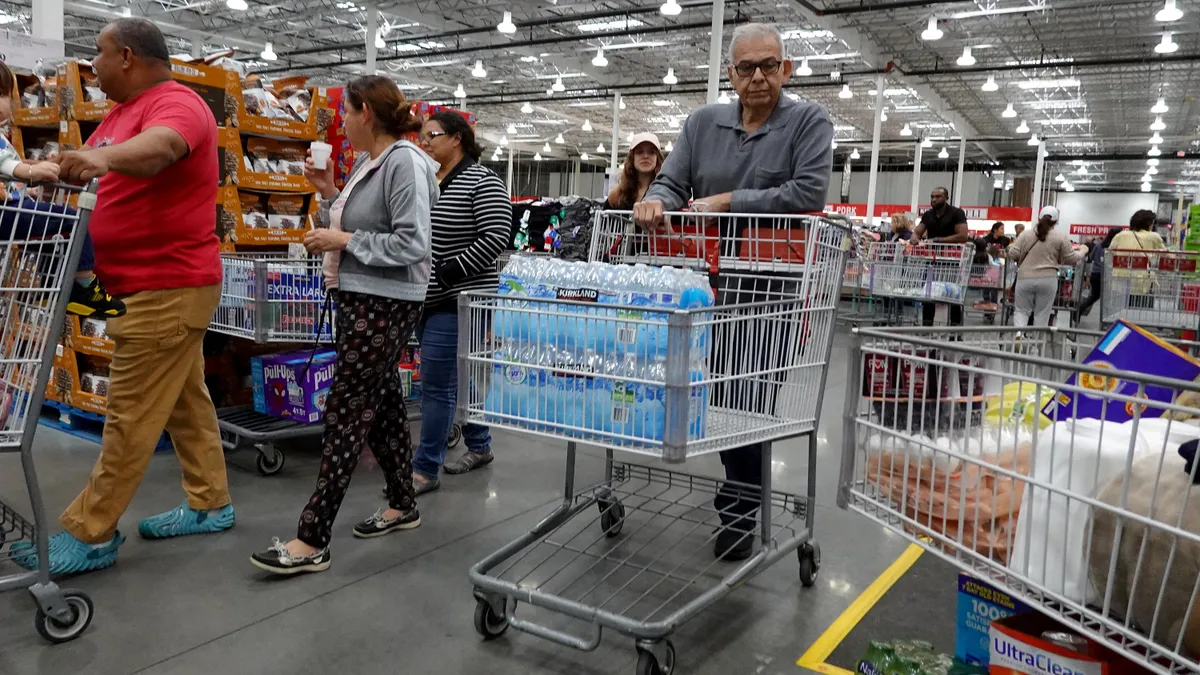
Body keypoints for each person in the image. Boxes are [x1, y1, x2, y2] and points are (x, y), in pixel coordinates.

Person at [12, 18, 233, 575]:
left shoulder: (176, 103)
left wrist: (103, 160)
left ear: (128, 56)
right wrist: (52, 172)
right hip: (148, 284)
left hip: (169, 285)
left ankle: (91, 533)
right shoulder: (117, 115)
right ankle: (211, 503)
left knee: (129, 416)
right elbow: (95, 171)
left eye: (99, 54)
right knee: (185, 401)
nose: (94, 65)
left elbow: (161, 150)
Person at [633, 23, 833, 561]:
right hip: (702, 287)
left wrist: (725, 200)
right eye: (747, 68)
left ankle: (741, 510)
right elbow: (675, 182)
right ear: (731, 75)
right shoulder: (701, 123)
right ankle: (740, 492)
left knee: (749, 402)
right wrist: (658, 200)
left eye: (769, 65)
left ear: (786, 69)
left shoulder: (809, 122)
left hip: (771, 290)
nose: (758, 78)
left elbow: (808, 191)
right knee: (712, 394)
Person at [251, 75, 438, 575]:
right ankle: (403, 503)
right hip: (360, 297)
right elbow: (365, 224)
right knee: (382, 407)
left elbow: (412, 244)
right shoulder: (369, 163)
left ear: (367, 114)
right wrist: (330, 191)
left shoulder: (405, 163)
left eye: (347, 112)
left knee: (346, 408)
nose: (342, 121)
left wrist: (342, 240)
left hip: (386, 302)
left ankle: (313, 538)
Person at [410, 111, 510, 494]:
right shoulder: (428, 180)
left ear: (456, 138)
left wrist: (451, 271)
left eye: (431, 135)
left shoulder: (482, 180)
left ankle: (424, 470)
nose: (425, 142)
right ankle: (480, 446)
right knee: (461, 376)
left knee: (437, 385)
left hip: (462, 299)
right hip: (427, 295)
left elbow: (498, 233)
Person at [0, 60, 125, 318]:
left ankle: (50, 285)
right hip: (4, 214)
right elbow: (4, 163)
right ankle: (84, 286)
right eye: (3, 95)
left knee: (48, 230)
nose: (9, 103)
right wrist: (29, 172)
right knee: (69, 221)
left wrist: (24, 186)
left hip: (7, 208)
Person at [1007, 205, 1082, 327]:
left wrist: (1009, 249)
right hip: (1048, 279)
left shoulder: (1025, 235)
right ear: (1056, 222)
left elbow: (1014, 254)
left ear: (1039, 217)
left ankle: (1019, 337)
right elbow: (1071, 259)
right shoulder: (1061, 237)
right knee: (1042, 314)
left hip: (1025, 277)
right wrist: (1083, 251)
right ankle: (1037, 344)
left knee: (1021, 311)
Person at [912, 187, 969, 326]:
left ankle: (955, 330)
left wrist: (938, 240)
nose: (934, 199)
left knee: (953, 297)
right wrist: (915, 236)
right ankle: (926, 329)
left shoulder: (956, 213)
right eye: (932, 196)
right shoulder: (928, 215)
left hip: (951, 260)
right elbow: (918, 231)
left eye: (938, 196)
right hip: (932, 260)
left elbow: (963, 235)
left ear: (946, 198)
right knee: (928, 295)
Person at [1109, 209, 1166, 310]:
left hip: (1119, 281)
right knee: (1140, 313)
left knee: (1118, 312)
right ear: (1149, 224)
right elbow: (1167, 256)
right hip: (1141, 283)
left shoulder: (1120, 235)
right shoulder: (1153, 237)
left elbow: (1109, 253)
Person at [607, 133, 664, 209]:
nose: (646, 156)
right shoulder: (617, 195)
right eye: (639, 152)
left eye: (652, 152)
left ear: (657, 158)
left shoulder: (665, 194)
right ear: (632, 157)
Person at [1079, 228, 1120, 316]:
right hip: (1105, 274)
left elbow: (1091, 256)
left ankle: (1080, 310)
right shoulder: (1111, 247)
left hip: (1095, 273)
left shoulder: (1099, 245)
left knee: (1094, 296)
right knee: (1097, 296)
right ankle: (1080, 309)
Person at [974, 221, 1010, 312]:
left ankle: (993, 307)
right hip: (987, 267)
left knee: (995, 289)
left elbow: (1007, 251)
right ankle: (987, 306)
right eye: (1001, 229)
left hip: (999, 267)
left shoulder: (1005, 240)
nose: (1003, 231)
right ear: (995, 230)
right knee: (986, 287)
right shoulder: (986, 240)